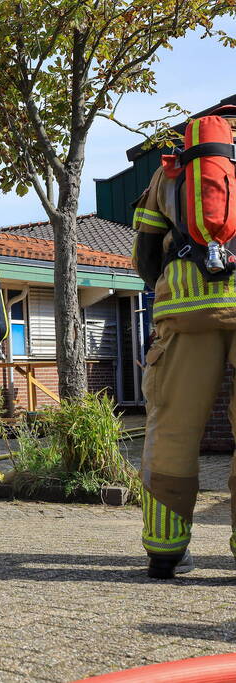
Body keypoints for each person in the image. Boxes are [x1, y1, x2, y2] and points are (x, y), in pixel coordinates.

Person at [130, 109, 236, 578]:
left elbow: (144, 254)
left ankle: (165, 550)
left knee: (173, 427)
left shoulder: (170, 172)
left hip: (185, 309)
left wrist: (171, 286)